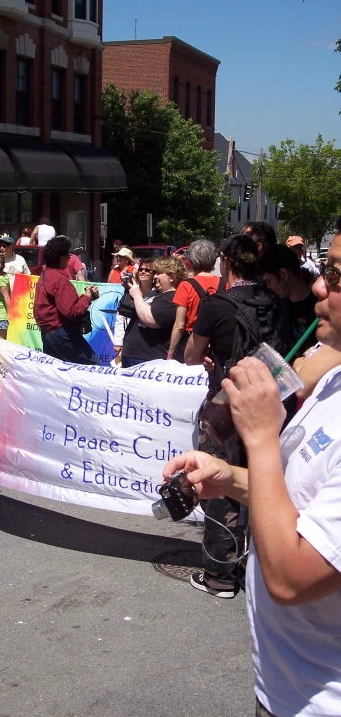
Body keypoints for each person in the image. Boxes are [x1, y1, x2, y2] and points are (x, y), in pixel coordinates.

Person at [162, 223, 341, 717]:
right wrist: (232, 478)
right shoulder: (331, 377)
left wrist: (260, 437)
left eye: (336, 274)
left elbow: (291, 578)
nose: (319, 285)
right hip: (283, 685)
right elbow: (297, 501)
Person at [184, 234, 267, 597]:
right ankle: (258, 567)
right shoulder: (272, 301)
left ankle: (220, 574)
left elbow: (191, 355)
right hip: (268, 407)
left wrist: (206, 354)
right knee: (261, 483)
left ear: (227, 264)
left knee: (220, 486)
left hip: (226, 407)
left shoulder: (216, 305)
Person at [34, 235, 99, 364]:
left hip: (48, 333)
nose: (70, 258)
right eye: (68, 255)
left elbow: (63, 305)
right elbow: (70, 311)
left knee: (58, 373)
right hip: (60, 333)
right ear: (62, 258)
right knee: (94, 367)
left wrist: (85, 297)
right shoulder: (60, 280)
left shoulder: (45, 275)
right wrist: (87, 297)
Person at [123, 257, 188, 367]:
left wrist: (137, 295)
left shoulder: (172, 298)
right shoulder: (154, 293)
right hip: (131, 355)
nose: (155, 276)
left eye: (159, 273)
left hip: (149, 360)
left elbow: (150, 319)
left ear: (172, 277)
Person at [168, 239, 221, 361]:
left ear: (191, 260)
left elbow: (179, 325)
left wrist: (170, 353)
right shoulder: (224, 284)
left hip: (192, 343)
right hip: (216, 342)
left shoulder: (186, 286)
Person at [260, 244, 318, 357]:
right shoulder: (277, 306)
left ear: (283, 274)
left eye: (269, 281)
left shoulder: (318, 309)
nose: (268, 287)